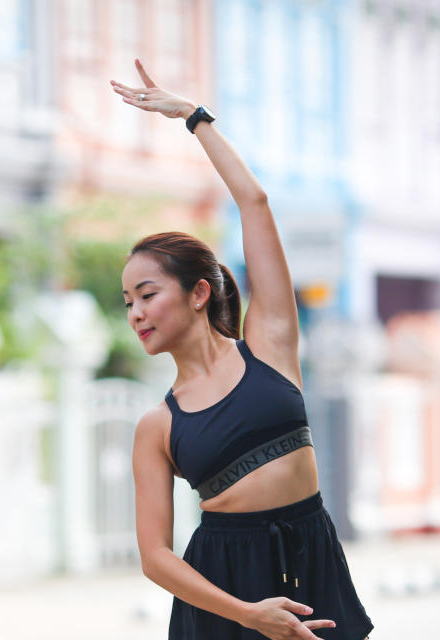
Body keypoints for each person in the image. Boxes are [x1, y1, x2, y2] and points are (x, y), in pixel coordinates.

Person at [114, 59, 374, 640]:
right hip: (226, 593)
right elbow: (155, 556)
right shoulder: (157, 426)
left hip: (312, 558)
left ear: (199, 293)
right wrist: (247, 613)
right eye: (127, 301)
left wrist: (194, 118)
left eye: (147, 294)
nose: (135, 313)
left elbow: (254, 203)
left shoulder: (270, 345)